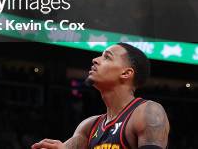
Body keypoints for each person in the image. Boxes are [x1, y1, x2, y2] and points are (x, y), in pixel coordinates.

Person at [32, 43, 169, 149]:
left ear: (126, 73)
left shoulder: (149, 112)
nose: (95, 60)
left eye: (107, 57)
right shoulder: (88, 126)